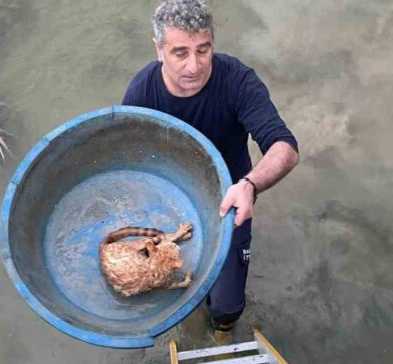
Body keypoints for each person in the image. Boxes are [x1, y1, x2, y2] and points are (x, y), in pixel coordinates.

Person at [122, 0, 299, 344]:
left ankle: (222, 333)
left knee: (227, 303)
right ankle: (191, 320)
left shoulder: (236, 81)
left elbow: (284, 147)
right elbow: (128, 157)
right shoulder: (143, 91)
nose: (194, 66)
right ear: (159, 49)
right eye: (180, 53)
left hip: (230, 200)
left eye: (203, 50)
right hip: (172, 204)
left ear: (212, 44)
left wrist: (249, 184)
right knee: (177, 287)